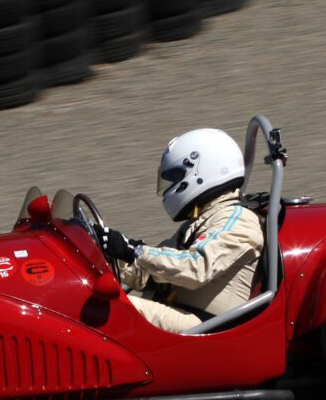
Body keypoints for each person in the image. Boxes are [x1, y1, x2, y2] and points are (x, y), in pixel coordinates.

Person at [99, 128, 263, 333]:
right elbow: (150, 274)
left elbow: (195, 268)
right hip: (180, 314)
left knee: (106, 308)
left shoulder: (239, 220)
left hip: (208, 328)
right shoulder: (203, 220)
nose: (171, 185)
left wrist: (134, 250)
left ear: (203, 170)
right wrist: (106, 253)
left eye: (176, 176)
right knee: (91, 295)